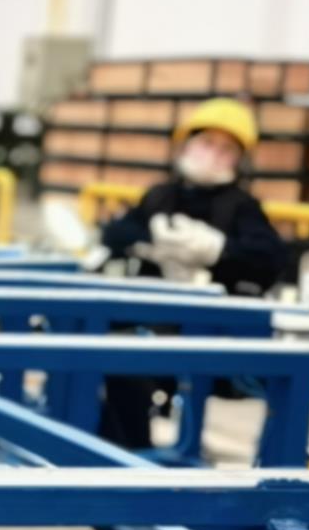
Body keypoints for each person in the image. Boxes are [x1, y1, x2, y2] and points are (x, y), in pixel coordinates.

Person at [96, 97, 290, 449]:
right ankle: (115, 450)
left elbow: (271, 260)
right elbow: (116, 233)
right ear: (185, 144)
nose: (213, 154)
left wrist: (218, 250)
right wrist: (151, 242)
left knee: (127, 362)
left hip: (205, 329)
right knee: (96, 352)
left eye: (226, 149)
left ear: (240, 160)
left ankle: (133, 459)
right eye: (207, 143)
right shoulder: (160, 197)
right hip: (148, 315)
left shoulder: (242, 208)